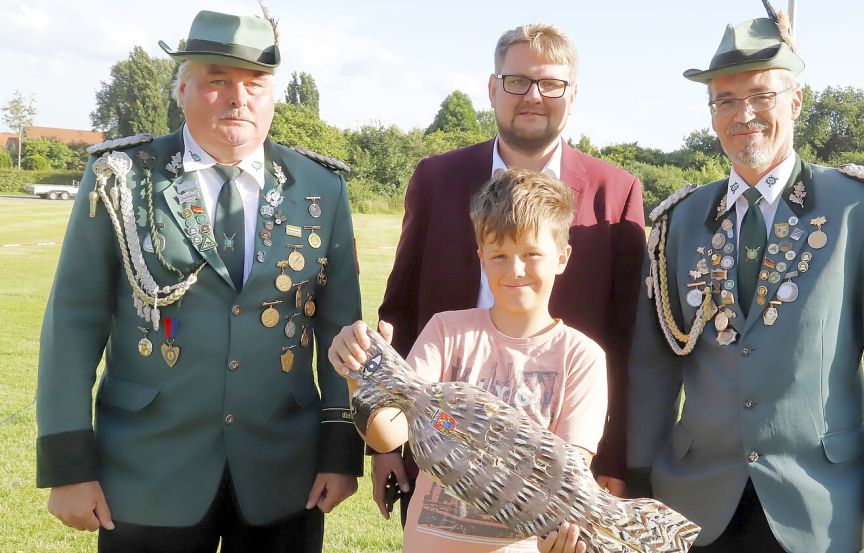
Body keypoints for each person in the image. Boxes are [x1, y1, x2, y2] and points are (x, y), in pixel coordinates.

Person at [36, 10, 363, 552]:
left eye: (255, 83)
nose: (239, 97)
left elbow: (339, 329)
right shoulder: (123, 177)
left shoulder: (319, 187)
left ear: (273, 96)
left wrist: (339, 451)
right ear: (182, 88)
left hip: (283, 472)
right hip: (148, 469)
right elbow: (74, 322)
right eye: (217, 81)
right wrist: (69, 466)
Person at [626, 5, 864, 553]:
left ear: (795, 101)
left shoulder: (861, 207)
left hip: (817, 501)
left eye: (761, 95)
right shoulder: (680, 220)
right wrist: (639, 479)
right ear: (711, 113)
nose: (744, 114)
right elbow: (653, 367)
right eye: (725, 100)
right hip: (692, 503)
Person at [376, 22, 646, 518]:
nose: (534, 96)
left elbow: (628, 339)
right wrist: (386, 445)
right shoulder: (437, 178)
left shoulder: (617, 192)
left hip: (563, 460)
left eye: (551, 84)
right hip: (443, 449)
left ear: (573, 94)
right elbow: (400, 307)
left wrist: (617, 457)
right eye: (518, 80)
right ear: (493, 87)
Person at [329, 168, 607, 553]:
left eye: (532, 254)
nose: (515, 270)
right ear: (481, 258)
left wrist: (560, 539)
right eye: (499, 255)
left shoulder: (583, 357)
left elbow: (567, 476)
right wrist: (362, 374)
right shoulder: (445, 332)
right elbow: (387, 434)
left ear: (562, 257)